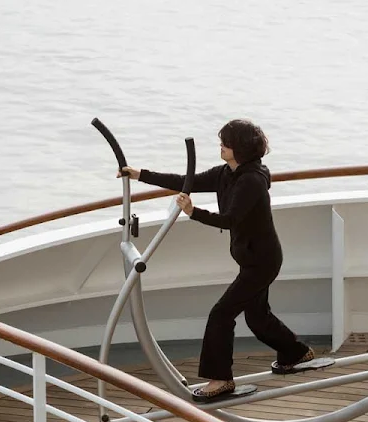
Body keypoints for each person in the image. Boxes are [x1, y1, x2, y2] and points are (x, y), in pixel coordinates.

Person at [120, 119, 313, 402]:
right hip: (252, 258)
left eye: (226, 142)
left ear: (241, 148)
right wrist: (140, 175)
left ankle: (221, 380)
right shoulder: (227, 173)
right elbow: (189, 182)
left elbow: (230, 219)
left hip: (262, 261)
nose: (221, 145)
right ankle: (296, 352)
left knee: (221, 315)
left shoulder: (251, 181)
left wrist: (192, 212)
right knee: (257, 317)